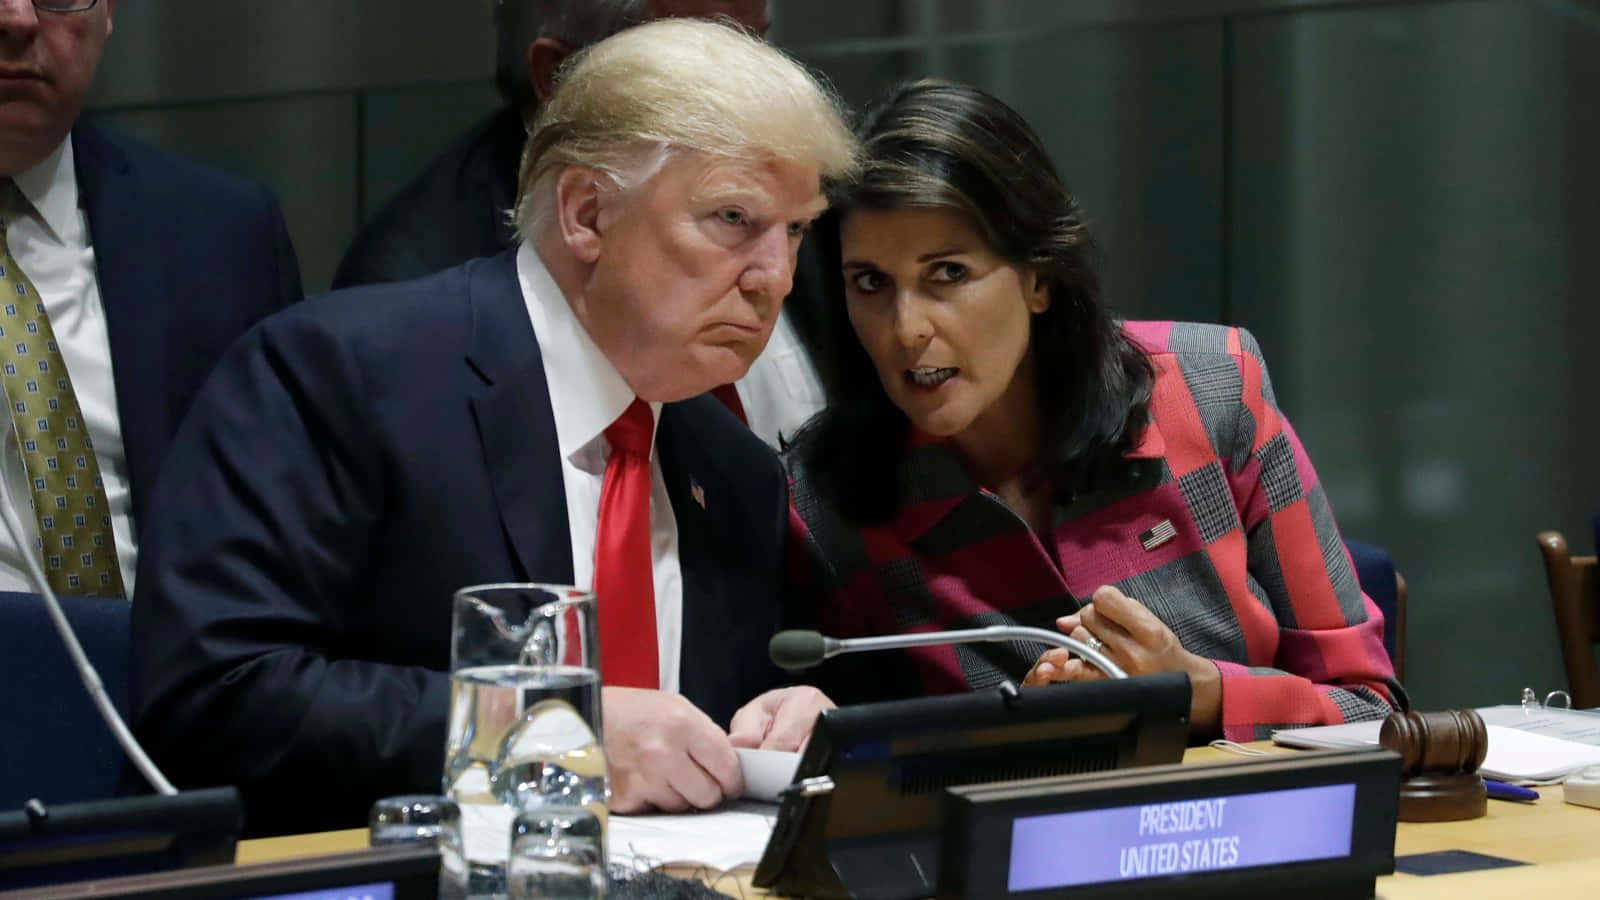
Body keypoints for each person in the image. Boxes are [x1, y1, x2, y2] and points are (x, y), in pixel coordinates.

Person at [131, 19, 855, 836]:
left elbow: (677, 743)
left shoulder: (734, 470)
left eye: (794, 231)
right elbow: (215, 695)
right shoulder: (340, 376)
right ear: (587, 213)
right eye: (732, 218)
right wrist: (550, 733)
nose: (777, 278)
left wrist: (778, 722)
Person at [786, 79, 1405, 742]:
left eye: (948, 274)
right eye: (870, 283)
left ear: (1040, 278)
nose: (905, 329)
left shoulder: (1211, 387)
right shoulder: (824, 500)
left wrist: (1196, 692)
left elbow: (1371, 710)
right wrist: (1016, 738)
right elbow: (857, 764)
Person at [334, 0, 827, 449]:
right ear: (561, 74)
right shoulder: (411, 303)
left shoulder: (810, 195)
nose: (758, 90)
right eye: (703, 61)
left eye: (758, 44)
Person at [0, 0, 300, 598]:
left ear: (107, 13)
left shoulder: (222, 234)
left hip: (175, 670)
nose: (18, 17)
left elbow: (290, 531)